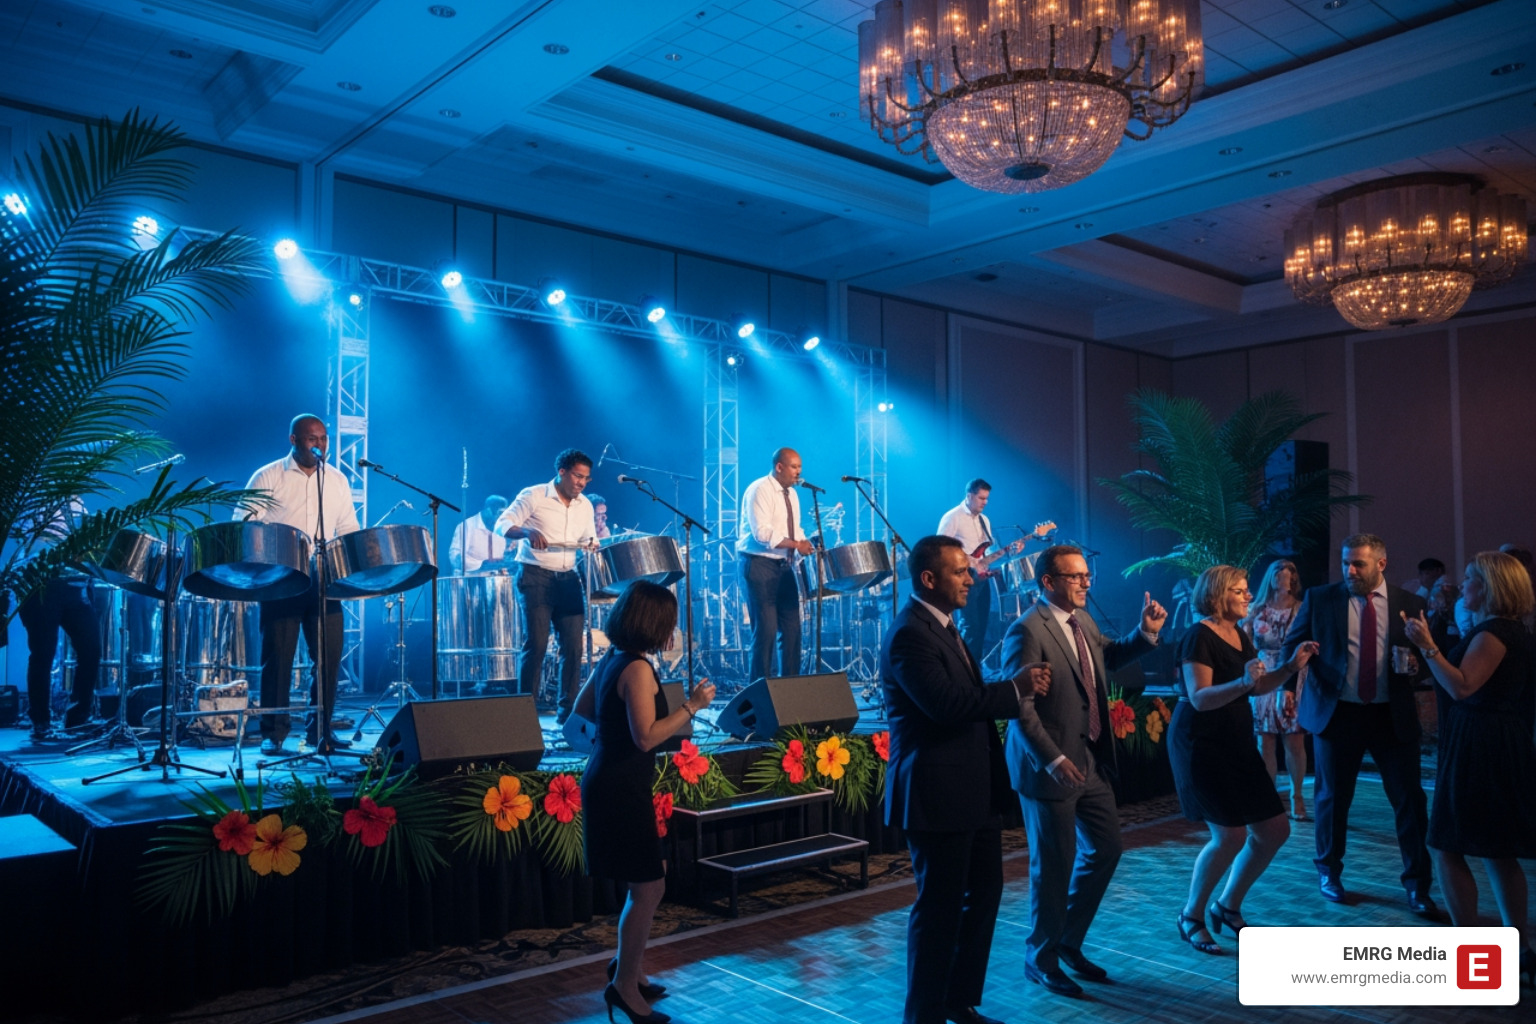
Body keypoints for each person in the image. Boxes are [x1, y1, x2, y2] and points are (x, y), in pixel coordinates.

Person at [883, 534, 1051, 1024]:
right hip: (935, 793)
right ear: (929, 579)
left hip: (971, 790)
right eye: (960, 571)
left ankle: (958, 1000)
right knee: (938, 909)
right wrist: (1016, 689)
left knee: (984, 895)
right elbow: (946, 707)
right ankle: (925, 1013)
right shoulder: (910, 633)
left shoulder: (946, 627)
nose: (971, 578)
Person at [1000, 544, 1165, 995]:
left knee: (1107, 850)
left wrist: (1145, 634)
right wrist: (1052, 759)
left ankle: (1066, 941)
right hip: (1049, 766)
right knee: (1053, 866)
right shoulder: (1026, 631)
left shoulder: (1082, 620)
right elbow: (1021, 708)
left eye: (1087, 575)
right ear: (1048, 582)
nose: (1086, 583)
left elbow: (1106, 659)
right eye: (1076, 577)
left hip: (1090, 760)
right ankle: (1041, 956)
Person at [578, 580, 714, 1024]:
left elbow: (577, 715)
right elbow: (647, 737)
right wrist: (691, 706)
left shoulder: (612, 661)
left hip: (610, 780)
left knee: (648, 882)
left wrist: (606, 738)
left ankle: (629, 971)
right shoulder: (636, 669)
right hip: (619, 787)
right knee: (650, 886)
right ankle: (623, 987)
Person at [1280, 533, 1436, 916]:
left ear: (1381, 564)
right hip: (1338, 713)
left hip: (1391, 714)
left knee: (1409, 802)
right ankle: (1328, 872)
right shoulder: (1322, 598)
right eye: (1346, 563)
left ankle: (1418, 886)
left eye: (1358, 564)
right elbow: (1292, 645)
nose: (1349, 571)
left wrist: (1416, 670)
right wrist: (1287, 684)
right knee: (1332, 799)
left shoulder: (1410, 603)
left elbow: (1423, 657)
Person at [1403, 552, 1536, 983]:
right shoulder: (1511, 631)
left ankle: (1472, 949)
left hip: (1481, 745)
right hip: (1499, 742)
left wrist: (1427, 646)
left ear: (1492, 587)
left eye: (1471, 580)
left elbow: (1462, 686)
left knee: (1446, 842)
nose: (1462, 587)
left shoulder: (1495, 633)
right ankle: (1519, 948)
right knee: (1498, 849)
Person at [1171, 564, 1318, 955]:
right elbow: (1200, 697)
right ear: (1219, 595)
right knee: (1230, 834)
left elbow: (1258, 685)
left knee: (1274, 830)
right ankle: (1191, 915)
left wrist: (1290, 666)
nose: (1248, 595)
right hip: (1201, 743)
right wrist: (1241, 683)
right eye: (1239, 590)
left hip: (1236, 741)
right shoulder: (1198, 636)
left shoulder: (1237, 633)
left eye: (1246, 589)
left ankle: (1227, 906)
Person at [242, 414, 360, 754]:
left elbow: (348, 528)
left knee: (328, 658)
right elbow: (245, 524)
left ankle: (320, 732)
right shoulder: (268, 476)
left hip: (324, 578)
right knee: (278, 659)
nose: (319, 444)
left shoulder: (336, 480)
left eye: (324, 438)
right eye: (312, 438)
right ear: (293, 440)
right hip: (281, 578)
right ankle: (273, 733)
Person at [497, 448, 598, 724]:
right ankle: (525, 715)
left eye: (586, 479)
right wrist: (527, 532)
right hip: (536, 576)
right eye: (578, 476)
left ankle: (568, 714)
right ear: (562, 472)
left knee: (573, 648)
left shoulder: (585, 506)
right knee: (538, 644)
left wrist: (593, 545)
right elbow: (502, 525)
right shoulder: (534, 495)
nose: (581, 483)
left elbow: (590, 539)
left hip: (567, 578)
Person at [16, 499, 101, 741]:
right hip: (42, 587)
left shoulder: (80, 505)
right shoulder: (36, 500)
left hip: (75, 587)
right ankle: (40, 720)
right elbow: (28, 539)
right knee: (43, 653)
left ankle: (78, 717)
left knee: (91, 650)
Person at [737, 447, 815, 684]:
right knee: (766, 633)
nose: (799, 472)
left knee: (792, 632)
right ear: (779, 467)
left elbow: (793, 528)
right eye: (794, 467)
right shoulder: (760, 489)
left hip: (784, 566)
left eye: (800, 467)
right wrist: (795, 544)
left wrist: (805, 543)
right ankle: (761, 695)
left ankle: (790, 693)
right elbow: (763, 534)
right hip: (759, 566)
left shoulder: (792, 494)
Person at [1241, 559, 1311, 821]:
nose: (1282, 579)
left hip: (1291, 672)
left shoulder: (1301, 609)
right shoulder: (1257, 610)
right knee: (1265, 740)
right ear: (1270, 578)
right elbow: (1244, 642)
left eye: (1288, 575)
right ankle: (1269, 798)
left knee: (1294, 739)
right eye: (1278, 574)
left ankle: (1297, 796)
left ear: (1294, 580)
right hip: (1263, 670)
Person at [936, 479, 1023, 656]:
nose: (985, 502)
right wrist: (967, 559)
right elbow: (940, 548)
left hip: (981, 579)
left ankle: (976, 672)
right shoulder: (953, 516)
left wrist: (1009, 551)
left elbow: (988, 552)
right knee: (970, 626)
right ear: (969, 496)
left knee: (982, 626)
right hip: (962, 578)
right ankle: (964, 672)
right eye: (981, 498)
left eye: (987, 498)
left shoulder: (984, 520)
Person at [448, 494, 509, 573]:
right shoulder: (466, 526)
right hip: (469, 582)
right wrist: (480, 565)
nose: (502, 517)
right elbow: (455, 558)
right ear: (488, 510)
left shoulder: (501, 528)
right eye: (500, 513)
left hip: (494, 582)